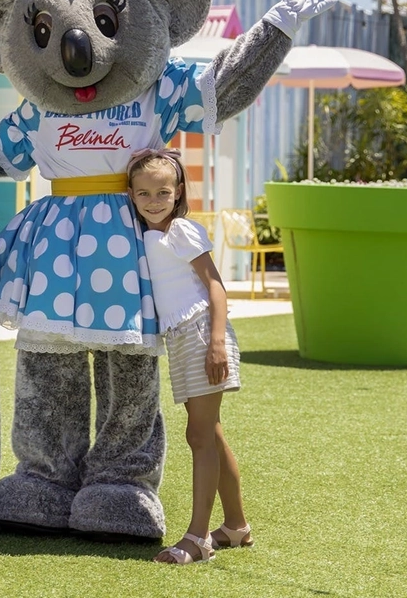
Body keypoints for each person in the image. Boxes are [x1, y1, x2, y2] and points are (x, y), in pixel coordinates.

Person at [125, 147, 253, 565]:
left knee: (199, 436)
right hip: (181, 337)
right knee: (209, 432)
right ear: (131, 194)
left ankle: (198, 537)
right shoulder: (146, 234)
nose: (153, 201)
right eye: (143, 193)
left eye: (162, 192)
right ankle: (236, 527)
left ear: (177, 191)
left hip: (201, 333)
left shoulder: (182, 229)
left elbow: (216, 287)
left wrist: (217, 341)